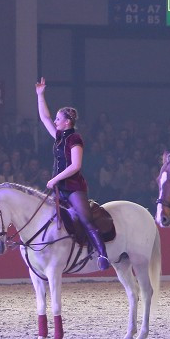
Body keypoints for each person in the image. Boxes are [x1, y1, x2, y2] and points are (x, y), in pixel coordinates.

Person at [35, 77, 109, 270]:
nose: (55, 121)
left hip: (73, 187)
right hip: (59, 186)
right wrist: (40, 96)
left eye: (59, 119)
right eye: (56, 119)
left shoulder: (75, 138)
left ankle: (102, 255)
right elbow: (44, 118)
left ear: (67, 122)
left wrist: (54, 179)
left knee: (85, 218)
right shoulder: (59, 137)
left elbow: (75, 166)